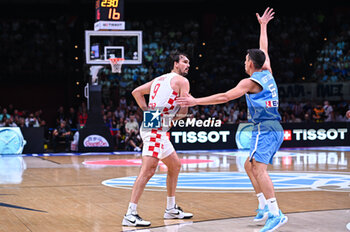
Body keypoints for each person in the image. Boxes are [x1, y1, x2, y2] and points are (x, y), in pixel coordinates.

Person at [177, 8, 287, 232]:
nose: (244, 62)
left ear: (250, 64)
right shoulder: (267, 71)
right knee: (250, 165)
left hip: (264, 129)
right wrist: (263, 26)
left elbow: (224, 97)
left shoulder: (251, 82)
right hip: (274, 127)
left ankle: (275, 213)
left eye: (246, 59)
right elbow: (263, 50)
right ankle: (264, 206)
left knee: (258, 169)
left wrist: (196, 101)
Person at [122, 50, 193, 227]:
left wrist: (148, 112)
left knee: (175, 166)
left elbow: (136, 92)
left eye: (188, 63)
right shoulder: (182, 81)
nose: (188, 65)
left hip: (152, 124)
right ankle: (130, 214)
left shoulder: (159, 79)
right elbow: (184, 110)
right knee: (148, 171)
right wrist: (175, 119)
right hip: (156, 128)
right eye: (184, 62)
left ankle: (170, 209)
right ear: (176, 64)